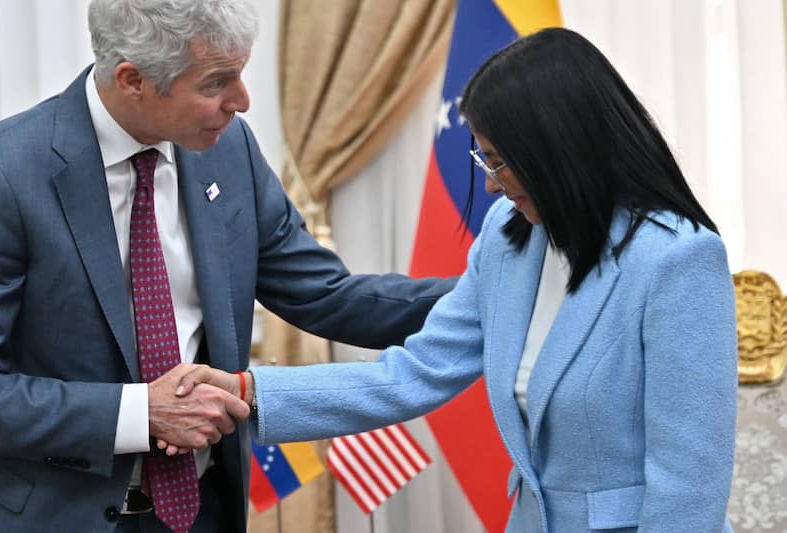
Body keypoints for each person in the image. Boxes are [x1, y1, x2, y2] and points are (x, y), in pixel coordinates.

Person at [0, 0, 454, 533]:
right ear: (132, 79)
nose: (242, 101)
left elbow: (326, 295)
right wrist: (142, 413)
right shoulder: (0, 176)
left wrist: (490, 291)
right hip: (54, 517)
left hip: (202, 509)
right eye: (217, 82)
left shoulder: (230, 150)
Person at [174, 28, 739, 532]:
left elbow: (689, 485)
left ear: (560, 152)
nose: (490, 186)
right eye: (483, 161)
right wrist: (248, 393)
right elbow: (412, 375)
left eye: (499, 162)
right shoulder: (509, 236)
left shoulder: (677, 261)